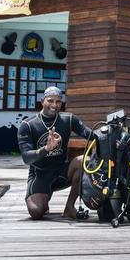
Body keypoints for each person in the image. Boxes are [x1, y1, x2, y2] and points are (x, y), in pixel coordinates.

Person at [17, 86, 93, 219]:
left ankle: (69, 207)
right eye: (50, 101)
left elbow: (90, 134)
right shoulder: (28, 125)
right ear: (42, 101)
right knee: (36, 212)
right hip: (40, 174)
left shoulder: (68, 119)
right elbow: (26, 158)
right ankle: (42, 198)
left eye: (58, 102)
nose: (54, 105)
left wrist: (108, 131)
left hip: (62, 171)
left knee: (83, 161)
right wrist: (46, 149)